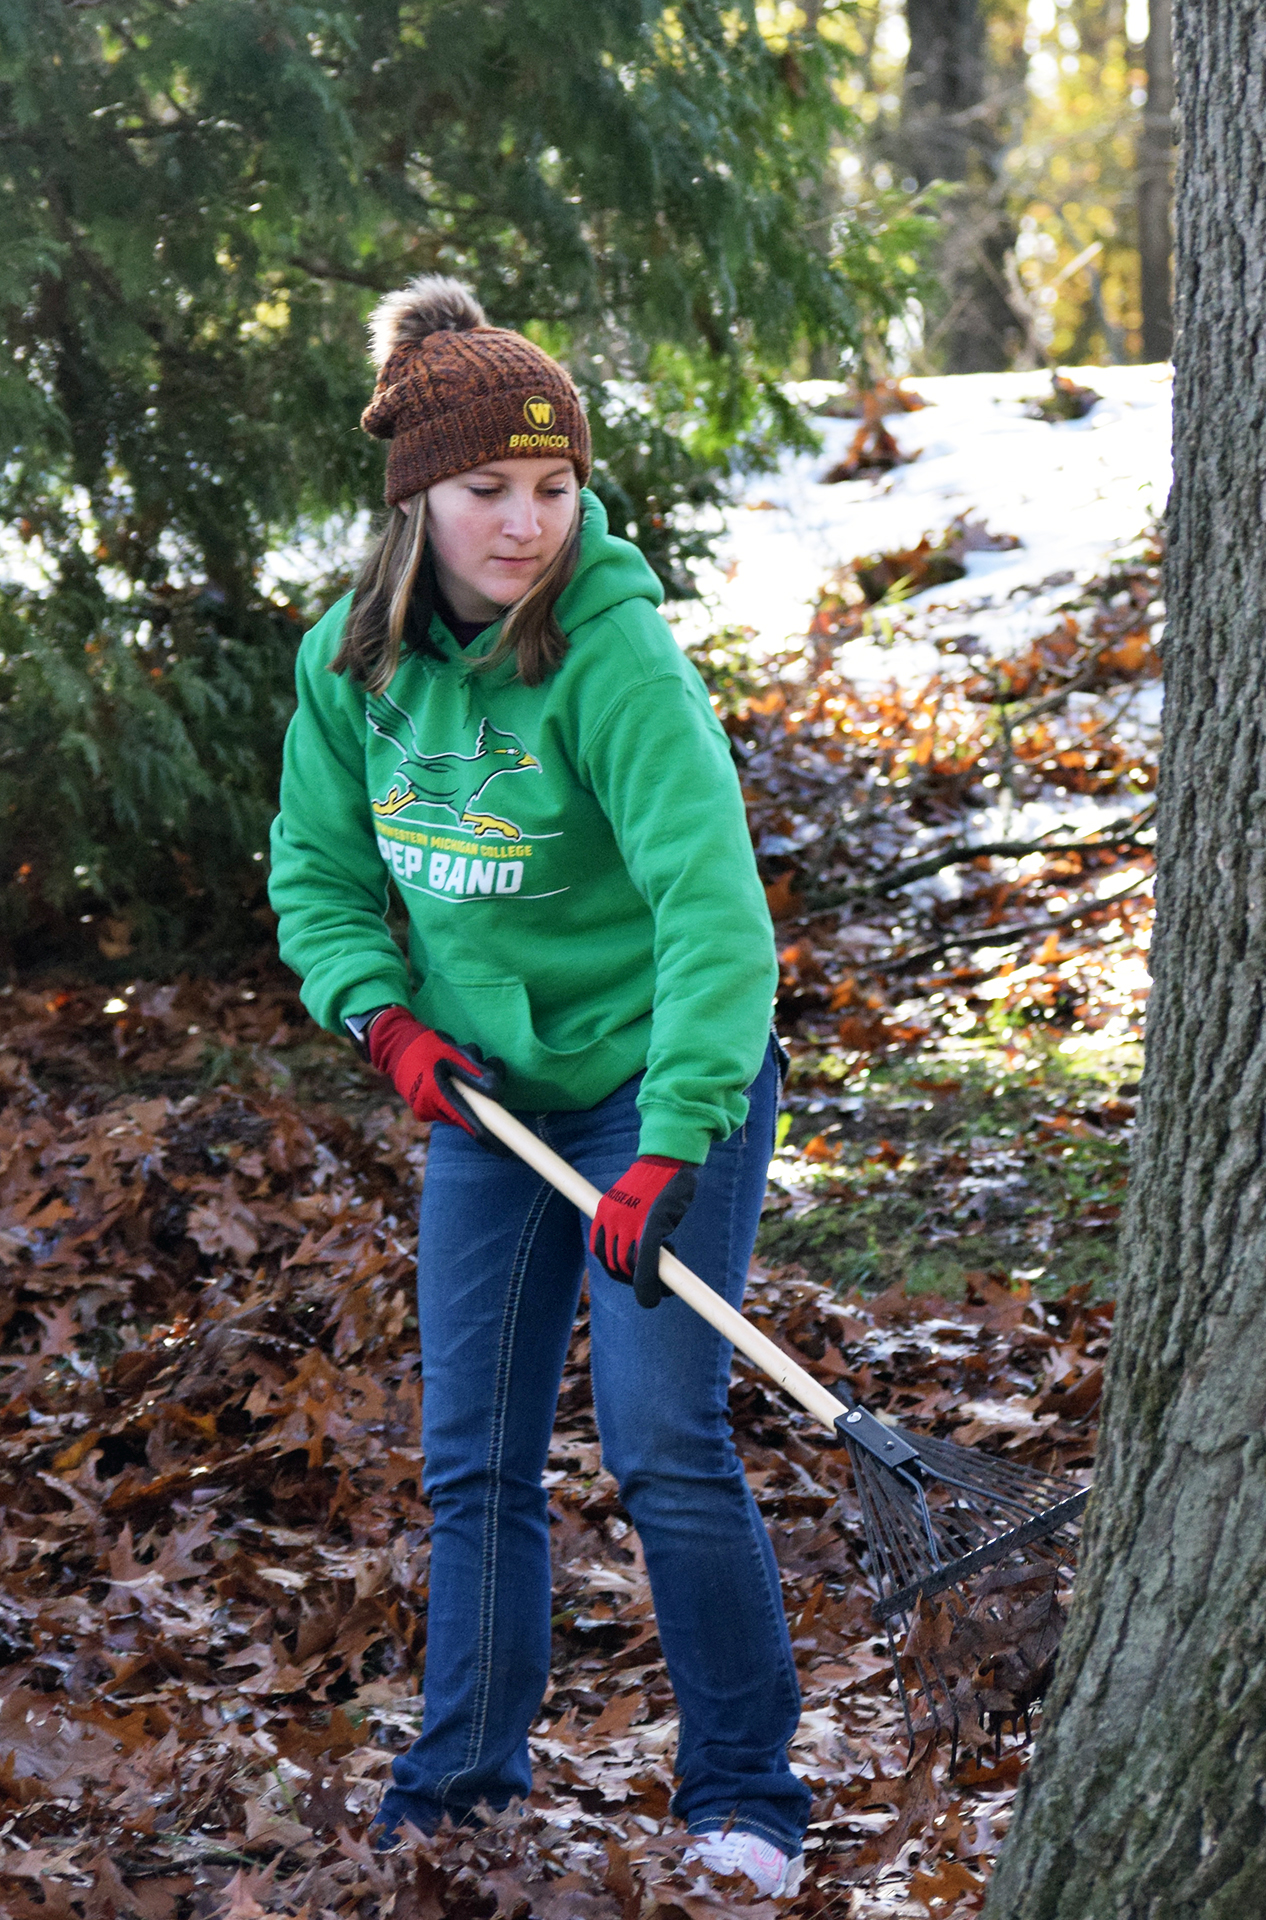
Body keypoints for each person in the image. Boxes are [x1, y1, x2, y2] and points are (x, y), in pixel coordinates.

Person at [267, 275, 809, 1898]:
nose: (524, 525)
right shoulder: (350, 667)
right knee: (476, 1461)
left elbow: (717, 912)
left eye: (556, 489)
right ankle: (460, 1795)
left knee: (663, 1445)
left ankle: (746, 1805)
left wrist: (672, 1141)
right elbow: (315, 867)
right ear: (414, 498)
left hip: (662, 1086)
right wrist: (382, 1018)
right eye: (487, 491)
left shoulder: (613, 661)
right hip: (488, 1105)